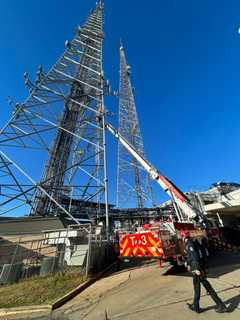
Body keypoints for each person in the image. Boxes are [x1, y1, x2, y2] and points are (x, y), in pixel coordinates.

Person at [181, 230, 227, 314]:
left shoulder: (190, 243)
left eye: (182, 236)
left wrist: (197, 269)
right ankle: (195, 306)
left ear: (184, 237)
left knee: (206, 287)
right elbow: (192, 256)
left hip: (197, 269)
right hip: (198, 268)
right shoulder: (193, 242)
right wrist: (187, 262)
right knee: (197, 287)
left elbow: (194, 256)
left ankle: (221, 305)